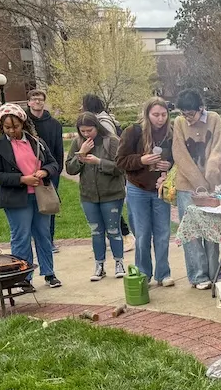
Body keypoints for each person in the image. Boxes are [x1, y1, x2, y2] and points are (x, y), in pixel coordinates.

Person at [0, 104, 62, 289]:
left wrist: (45, 171)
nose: (12, 130)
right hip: (16, 199)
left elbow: (53, 163)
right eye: (7, 128)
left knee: (43, 235)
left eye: (16, 126)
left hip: (40, 196)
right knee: (21, 237)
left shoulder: (36, 142)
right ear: (1, 127)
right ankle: (24, 277)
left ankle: (49, 273)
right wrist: (22, 179)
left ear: (23, 123)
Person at [116, 98, 174, 286]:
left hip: (160, 188)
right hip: (137, 188)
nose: (160, 119)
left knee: (163, 233)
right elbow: (120, 161)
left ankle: (163, 273)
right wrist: (142, 160)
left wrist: (169, 165)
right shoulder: (133, 132)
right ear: (147, 114)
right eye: (156, 115)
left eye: (163, 115)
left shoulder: (170, 133)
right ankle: (144, 273)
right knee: (142, 234)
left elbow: (176, 158)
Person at [172, 89, 221, 289]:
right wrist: (198, 183)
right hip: (187, 186)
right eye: (184, 114)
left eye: (190, 114)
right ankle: (198, 275)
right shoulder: (178, 123)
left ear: (200, 108)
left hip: (211, 184)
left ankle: (215, 271)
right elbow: (180, 154)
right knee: (192, 232)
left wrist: (210, 177)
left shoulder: (214, 119)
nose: (187, 118)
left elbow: (217, 149)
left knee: (211, 230)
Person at [65, 112, 126, 281]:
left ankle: (119, 262)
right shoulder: (77, 143)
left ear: (97, 127)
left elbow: (121, 167)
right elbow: (70, 168)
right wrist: (81, 156)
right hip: (88, 195)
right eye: (82, 131)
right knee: (96, 231)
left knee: (113, 230)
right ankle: (99, 265)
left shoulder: (111, 141)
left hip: (111, 193)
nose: (86, 134)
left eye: (89, 130)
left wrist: (99, 162)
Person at [81, 93, 134, 251]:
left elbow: (112, 146)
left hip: (107, 172)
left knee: (112, 209)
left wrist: (100, 161)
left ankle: (126, 236)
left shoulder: (103, 122)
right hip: (95, 174)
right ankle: (118, 237)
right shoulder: (99, 120)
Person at [26, 88, 64, 253]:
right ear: (29, 102)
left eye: (40, 99)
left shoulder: (54, 124)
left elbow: (58, 150)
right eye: (34, 99)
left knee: (49, 206)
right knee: (29, 207)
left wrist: (55, 170)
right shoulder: (25, 123)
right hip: (28, 172)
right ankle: (33, 241)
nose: (37, 102)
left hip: (49, 172)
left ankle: (49, 240)